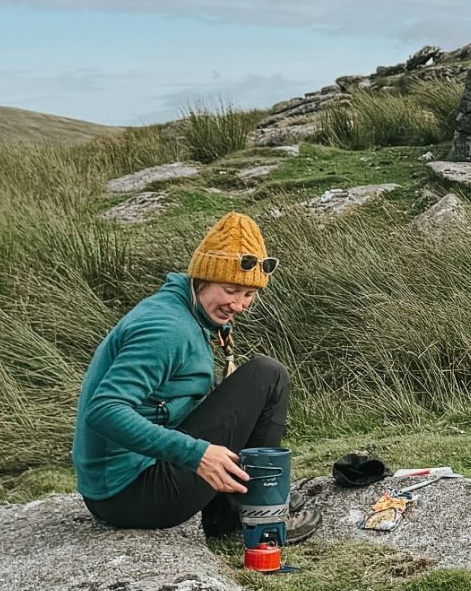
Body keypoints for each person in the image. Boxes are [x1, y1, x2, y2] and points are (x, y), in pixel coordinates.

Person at [73, 211, 319, 542]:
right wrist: (197, 454)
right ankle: (253, 519)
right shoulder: (168, 329)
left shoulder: (183, 309)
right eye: (231, 290)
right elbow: (104, 410)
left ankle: (246, 502)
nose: (239, 305)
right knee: (267, 376)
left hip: (115, 489)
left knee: (234, 386)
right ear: (203, 278)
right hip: (132, 493)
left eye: (249, 294)